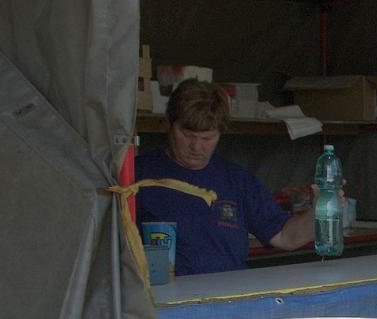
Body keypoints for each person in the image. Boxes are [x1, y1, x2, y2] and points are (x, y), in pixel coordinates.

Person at [135, 79, 315, 276]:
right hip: (160, 293)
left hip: (228, 293)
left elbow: (285, 237)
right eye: (187, 135)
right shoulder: (138, 175)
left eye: (207, 138)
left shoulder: (237, 180)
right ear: (169, 124)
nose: (196, 147)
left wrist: (319, 213)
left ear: (221, 132)